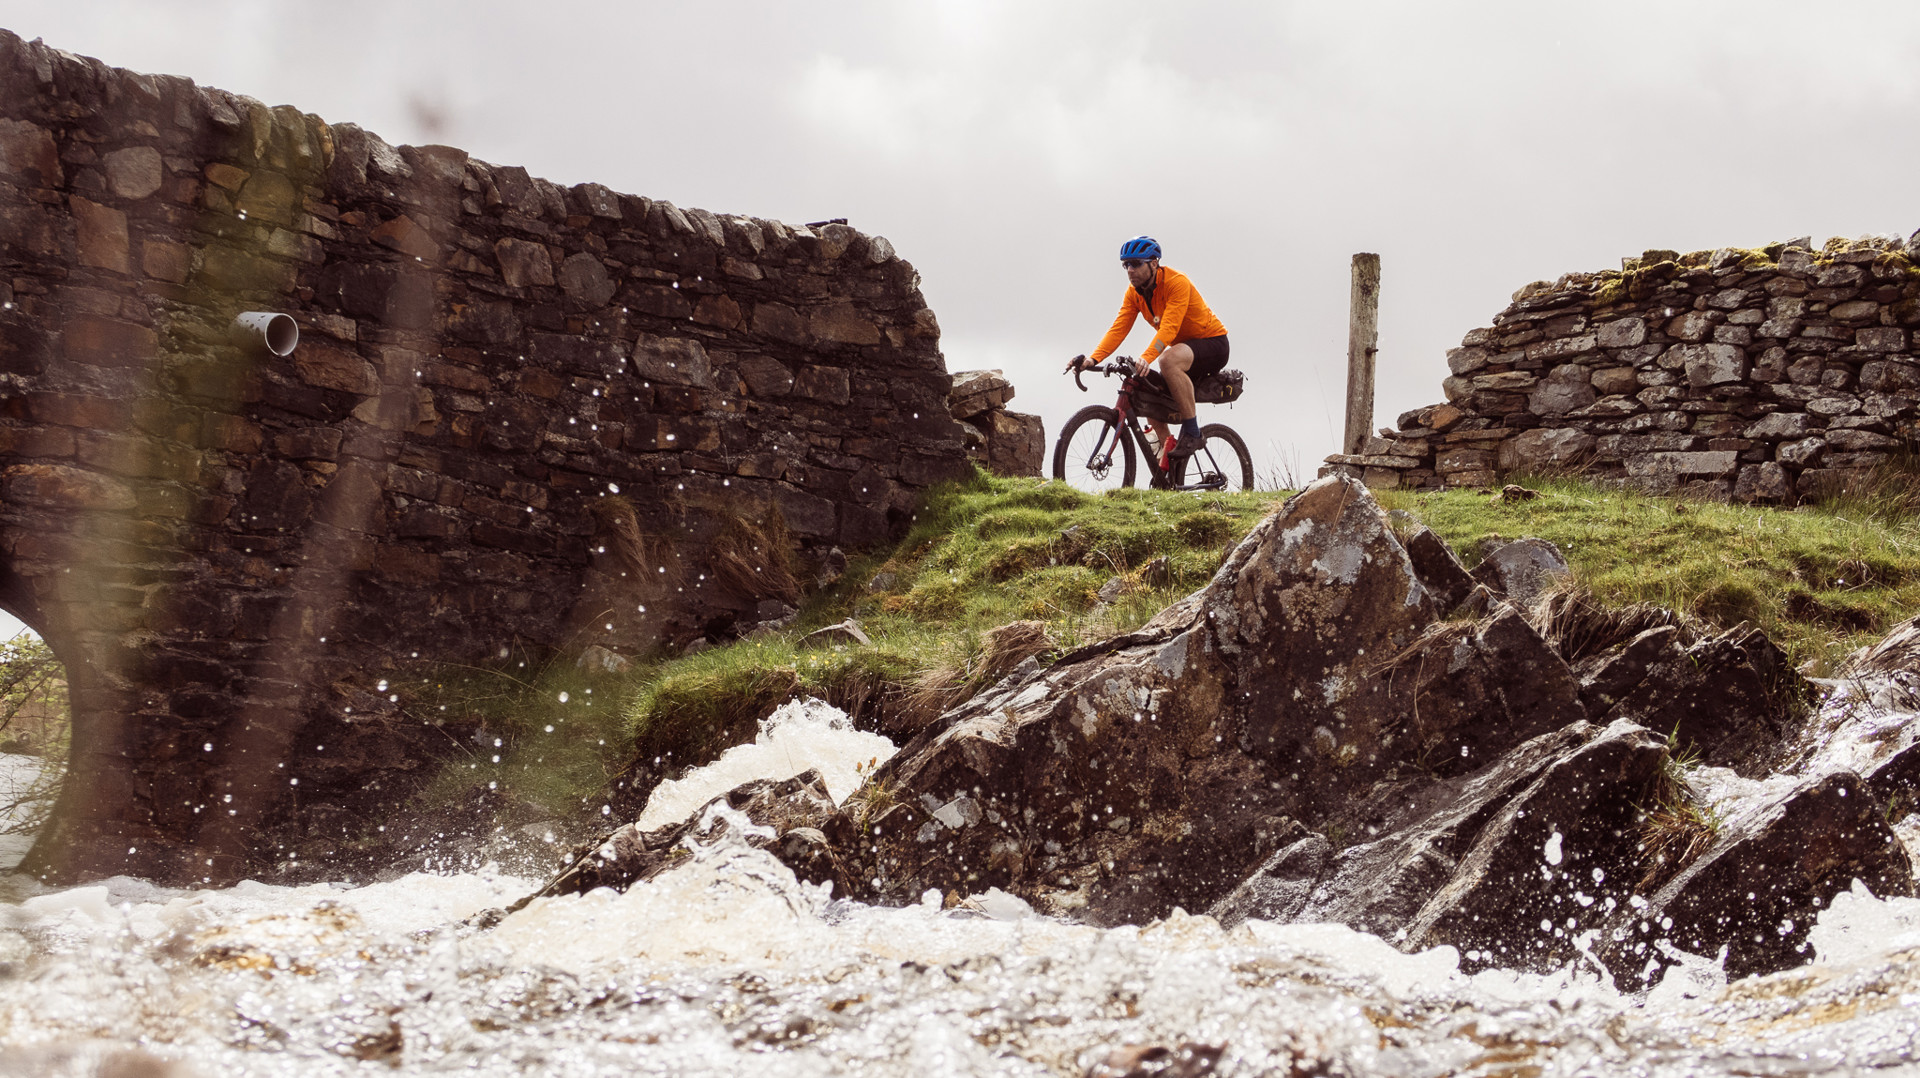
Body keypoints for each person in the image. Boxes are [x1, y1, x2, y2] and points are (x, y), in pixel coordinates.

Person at [1069, 236, 1229, 460]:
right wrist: (1092, 360)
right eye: (1126, 265)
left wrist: (1146, 357)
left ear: (1154, 263)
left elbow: (1169, 330)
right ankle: (1168, 459)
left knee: (1167, 360)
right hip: (1183, 351)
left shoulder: (1176, 282)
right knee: (1145, 388)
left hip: (1212, 343)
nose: (1129, 270)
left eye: (1135, 263)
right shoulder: (1134, 293)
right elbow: (1118, 329)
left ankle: (1193, 432)